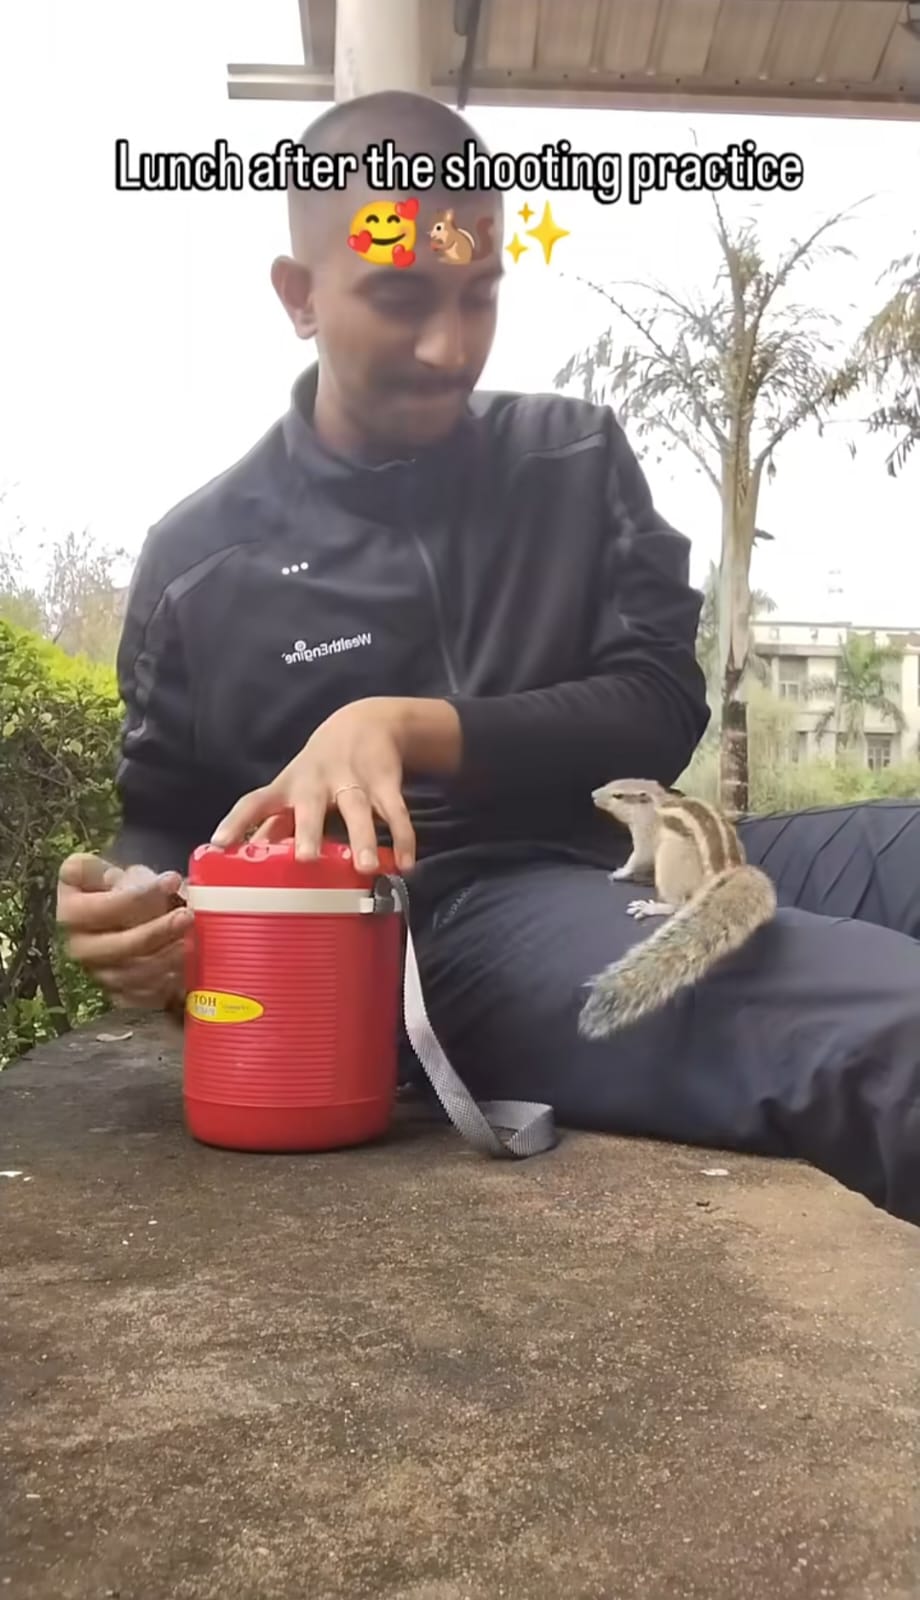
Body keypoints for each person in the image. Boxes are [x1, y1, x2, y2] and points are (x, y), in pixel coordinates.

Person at [57, 91, 920, 1227]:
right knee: (883, 1029)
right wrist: (131, 908)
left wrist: (408, 723)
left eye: (478, 296)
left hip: (640, 853)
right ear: (299, 295)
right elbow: (168, 817)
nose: (448, 347)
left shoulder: (574, 457)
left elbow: (659, 702)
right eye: (400, 296)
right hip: (438, 934)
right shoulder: (201, 561)